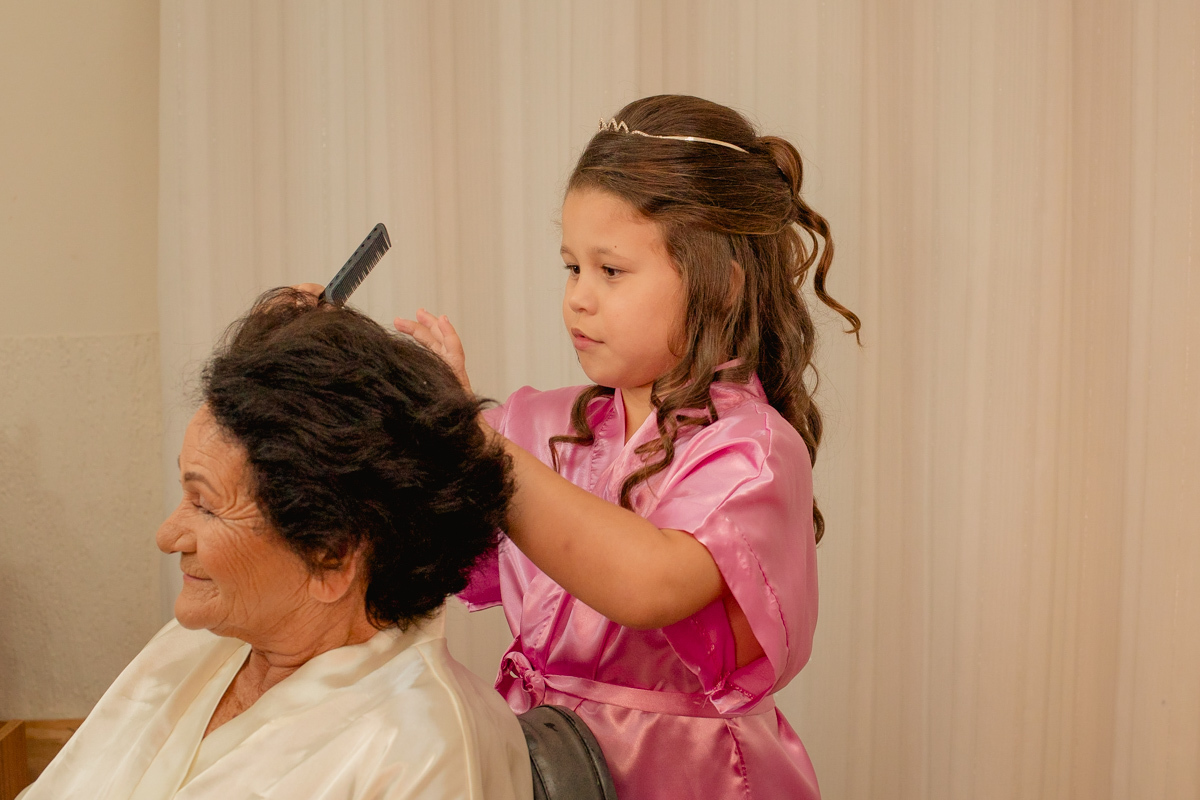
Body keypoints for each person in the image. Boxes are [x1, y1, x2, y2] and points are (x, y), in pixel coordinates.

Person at [394, 95, 861, 799]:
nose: (577, 298)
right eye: (571, 267)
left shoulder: (753, 451)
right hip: (550, 768)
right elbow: (423, 536)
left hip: (696, 781)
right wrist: (343, 381)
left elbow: (646, 583)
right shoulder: (539, 425)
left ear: (722, 285)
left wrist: (476, 443)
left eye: (610, 271)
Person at [21, 290, 532, 800]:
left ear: (331, 555)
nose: (167, 536)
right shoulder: (200, 644)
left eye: (205, 505)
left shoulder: (424, 749)